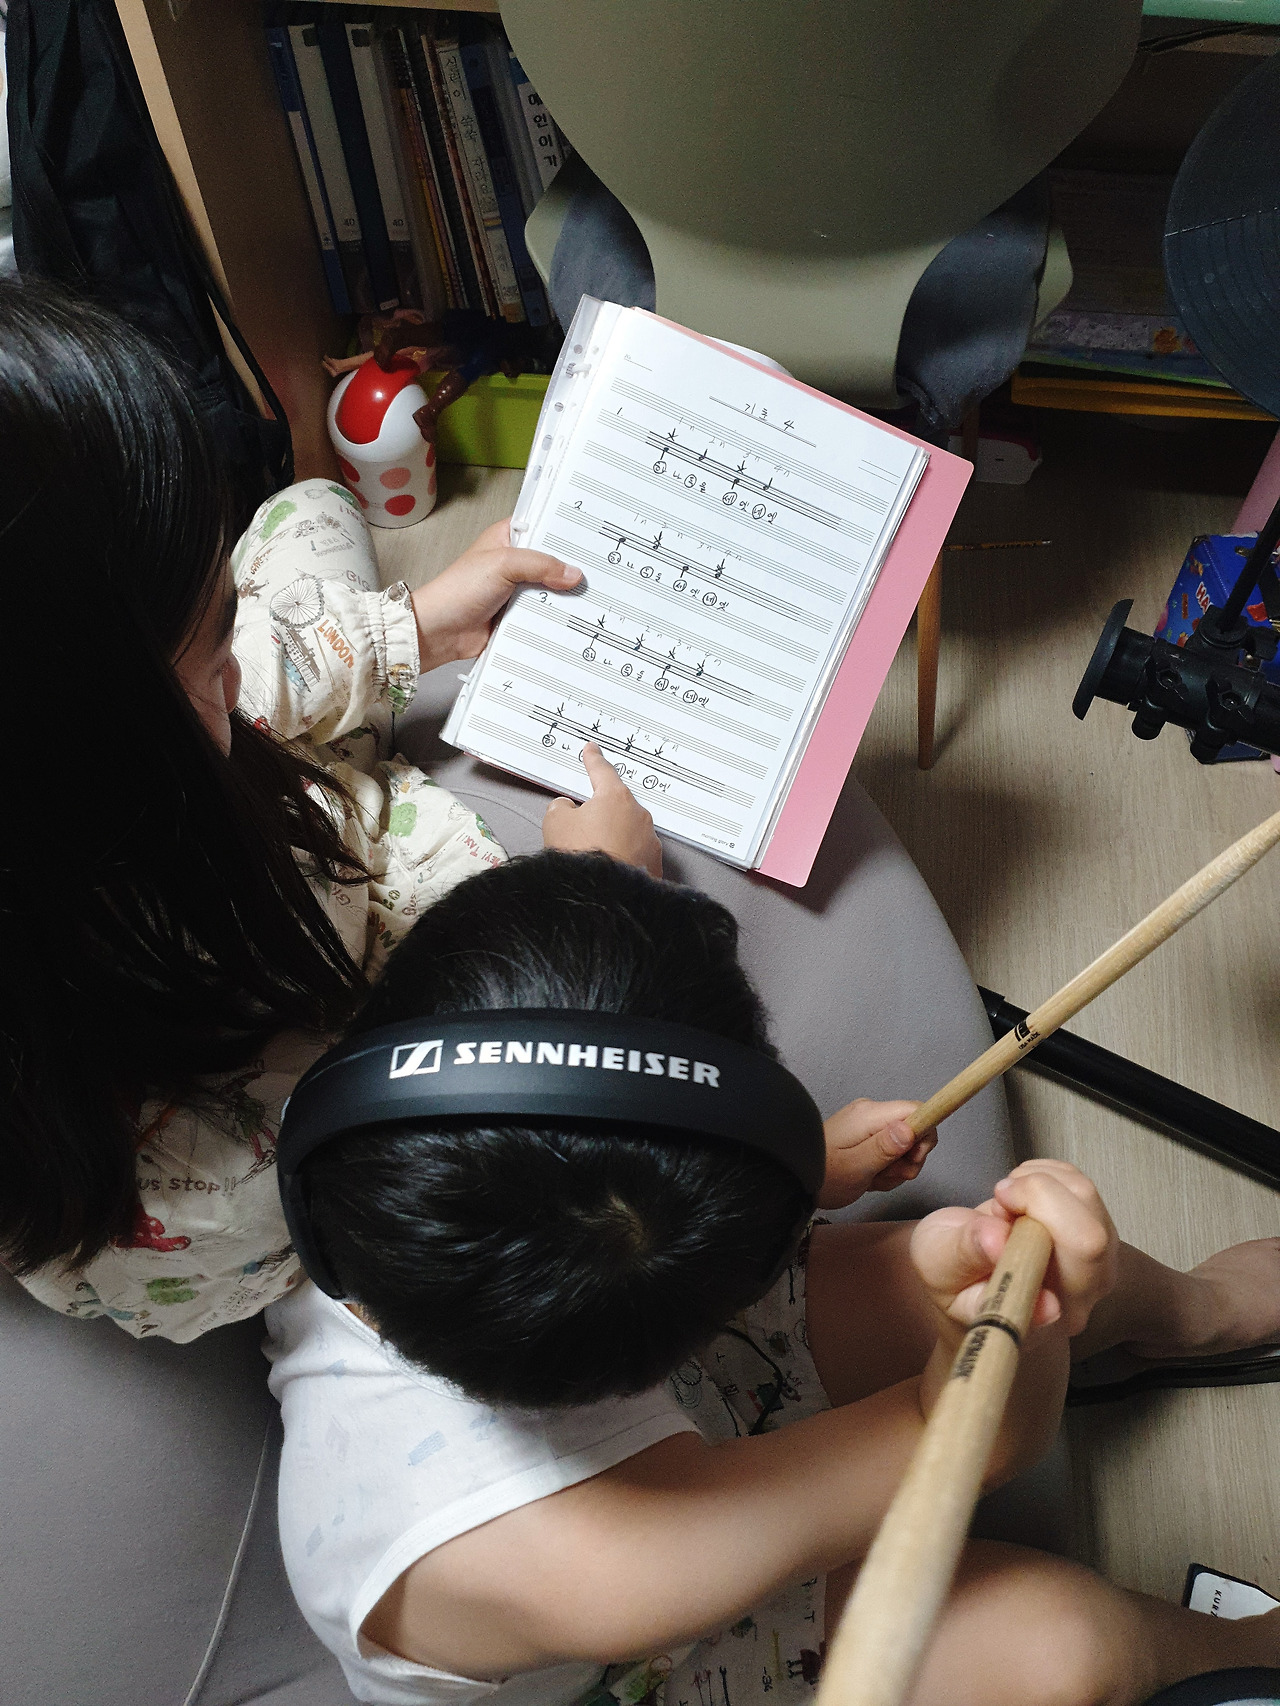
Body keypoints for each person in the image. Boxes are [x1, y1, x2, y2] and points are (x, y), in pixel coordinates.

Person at [267, 850, 1280, 1706]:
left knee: (957, 1248)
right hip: (651, 1642)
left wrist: (799, 1166)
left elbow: (571, 1146)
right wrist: (1034, 1310)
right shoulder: (579, 1559)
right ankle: (1235, 1651)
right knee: (1068, 1644)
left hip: (621, 1361)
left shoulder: (376, 1182)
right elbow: (981, 1439)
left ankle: (1194, 1311)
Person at [0, 276, 662, 1339]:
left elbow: (250, 675)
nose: (233, 665)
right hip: (324, 1029)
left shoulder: (68, 761)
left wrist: (419, 624)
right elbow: (452, 1111)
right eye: (208, 647)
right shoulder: (202, 1162)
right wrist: (602, 899)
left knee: (307, 507)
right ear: (99, 760)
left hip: (274, 827)